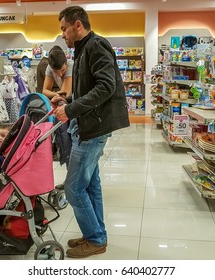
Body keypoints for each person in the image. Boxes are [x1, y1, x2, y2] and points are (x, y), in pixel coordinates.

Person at [52, 6, 130, 258]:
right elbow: (90, 88)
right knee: (91, 184)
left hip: (93, 127)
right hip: (87, 124)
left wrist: (72, 108)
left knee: (74, 188)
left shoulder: (96, 46)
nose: (62, 34)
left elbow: (107, 86)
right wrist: (68, 101)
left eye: (64, 28)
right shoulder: (84, 48)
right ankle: (96, 234)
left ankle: (95, 239)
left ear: (77, 24)